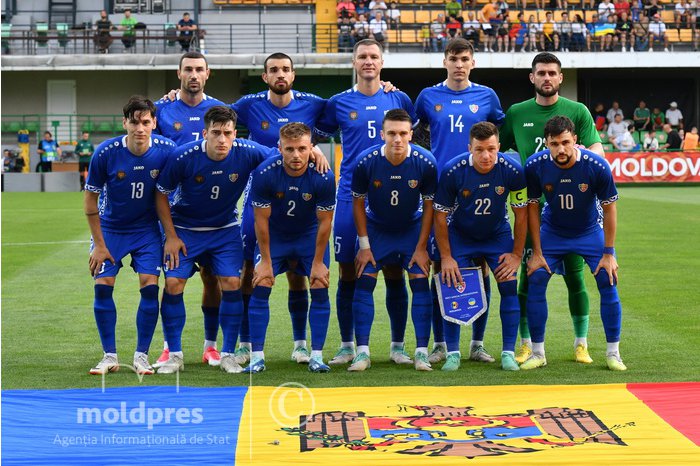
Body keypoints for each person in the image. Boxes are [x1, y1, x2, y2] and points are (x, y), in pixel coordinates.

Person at [314, 39, 417, 367]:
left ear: (382, 62)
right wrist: (314, 148)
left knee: (394, 270)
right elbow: (314, 132)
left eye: (374, 56)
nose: (368, 61)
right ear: (354, 63)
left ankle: (398, 346)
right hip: (349, 195)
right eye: (362, 57)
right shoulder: (338, 102)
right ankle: (347, 345)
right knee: (348, 269)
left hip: (391, 195)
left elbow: (413, 132)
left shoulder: (398, 97)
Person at [154, 106, 277, 374]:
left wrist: (314, 151)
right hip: (185, 229)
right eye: (216, 133)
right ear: (204, 133)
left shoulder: (248, 151)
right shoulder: (183, 156)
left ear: (235, 134)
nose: (222, 139)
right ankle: (174, 355)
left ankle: (228, 354)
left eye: (228, 133)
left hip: (224, 229)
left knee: (232, 282)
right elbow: (160, 193)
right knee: (173, 283)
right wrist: (171, 236)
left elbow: (281, 156)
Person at [499, 52, 603, 366]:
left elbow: (597, 149)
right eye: (541, 73)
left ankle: (581, 344)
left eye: (552, 73)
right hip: (531, 209)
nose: (547, 78)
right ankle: (526, 345)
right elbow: (498, 147)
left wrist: (585, 154)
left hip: (570, 212)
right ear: (532, 77)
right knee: (528, 276)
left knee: (575, 277)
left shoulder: (577, 111)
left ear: (560, 77)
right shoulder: (517, 113)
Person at [230, 52, 328, 366]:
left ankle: (301, 345)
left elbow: (342, 114)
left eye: (285, 69)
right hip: (262, 192)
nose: (280, 74)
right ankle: (246, 343)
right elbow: (214, 115)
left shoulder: (313, 104)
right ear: (265, 77)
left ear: (293, 74)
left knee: (299, 276)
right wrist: (175, 94)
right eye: (273, 70)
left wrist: (313, 148)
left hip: (299, 198)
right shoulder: (248, 105)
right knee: (250, 269)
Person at [415, 38, 505, 364]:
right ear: (445, 62)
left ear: (473, 62)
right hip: (442, 193)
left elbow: (496, 137)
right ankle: (441, 343)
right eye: (453, 59)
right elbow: (412, 131)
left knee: (480, 266)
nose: (459, 64)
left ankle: (477, 344)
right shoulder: (428, 97)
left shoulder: (487, 96)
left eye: (464, 59)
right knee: (443, 266)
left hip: (478, 193)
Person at [523, 115, 626, 372]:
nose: (561, 149)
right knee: (536, 277)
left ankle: (613, 353)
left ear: (575, 140)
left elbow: (610, 209)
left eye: (565, 142)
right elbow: (532, 208)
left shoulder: (596, 165)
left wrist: (609, 253)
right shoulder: (535, 165)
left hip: (588, 231)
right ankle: (537, 353)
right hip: (553, 231)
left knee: (607, 278)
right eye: (554, 144)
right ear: (546, 143)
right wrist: (537, 251)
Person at [84, 96, 176, 376]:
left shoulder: (167, 150)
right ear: (124, 123)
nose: (140, 128)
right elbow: (90, 202)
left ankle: (141, 356)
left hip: (147, 230)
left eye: (145, 122)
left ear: (154, 123)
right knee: (103, 285)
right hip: (110, 229)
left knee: (150, 286)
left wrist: (171, 234)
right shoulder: (106, 152)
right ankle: (109, 356)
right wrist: (99, 245)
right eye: (134, 122)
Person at [152, 52, 227, 368]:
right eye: (188, 69)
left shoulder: (221, 110)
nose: (193, 74)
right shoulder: (162, 109)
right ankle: (170, 347)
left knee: (213, 279)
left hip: (214, 213)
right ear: (179, 73)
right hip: (175, 213)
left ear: (208, 73)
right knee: (172, 281)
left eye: (199, 69)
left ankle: (211, 347)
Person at [348, 109, 437, 372]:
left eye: (402, 133)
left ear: (411, 135)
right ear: (382, 134)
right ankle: (362, 353)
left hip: (411, 228)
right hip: (377, 229)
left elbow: (430, 207)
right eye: (391, 133)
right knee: (364, 280)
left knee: (420, 281)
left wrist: (421, 247)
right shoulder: (366, 162)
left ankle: (419, 352)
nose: (397, 139)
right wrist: (364, 246)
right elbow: (357, 203)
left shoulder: (425, 162)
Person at [434, 122, 526, 371]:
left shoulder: (513, 170)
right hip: (461, 235)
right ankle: (453, 353)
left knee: (508, 285)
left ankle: (507, 352)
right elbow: (440, 217)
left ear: (499, 147)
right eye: (479, 150)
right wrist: (446, 257)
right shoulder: (453, 170)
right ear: (469, 149)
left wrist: (517, 254)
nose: (486, 155)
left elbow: (522, 215)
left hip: (497, 235)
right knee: (452, 283)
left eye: (491, 149)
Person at [244, 123, 336, 374]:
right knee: (261, 282)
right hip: (276, 237)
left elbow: (325, 222)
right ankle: (257, 357)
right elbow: (260, 221)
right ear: (280, 148)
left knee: (319, 283)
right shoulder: (265, 173)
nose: (296, 155)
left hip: (309, 237)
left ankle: (316, 356)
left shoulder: (324, 176)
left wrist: (318, 262)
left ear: (311, 148)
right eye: (290, 149)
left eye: (302, 149)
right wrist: (265, 261)